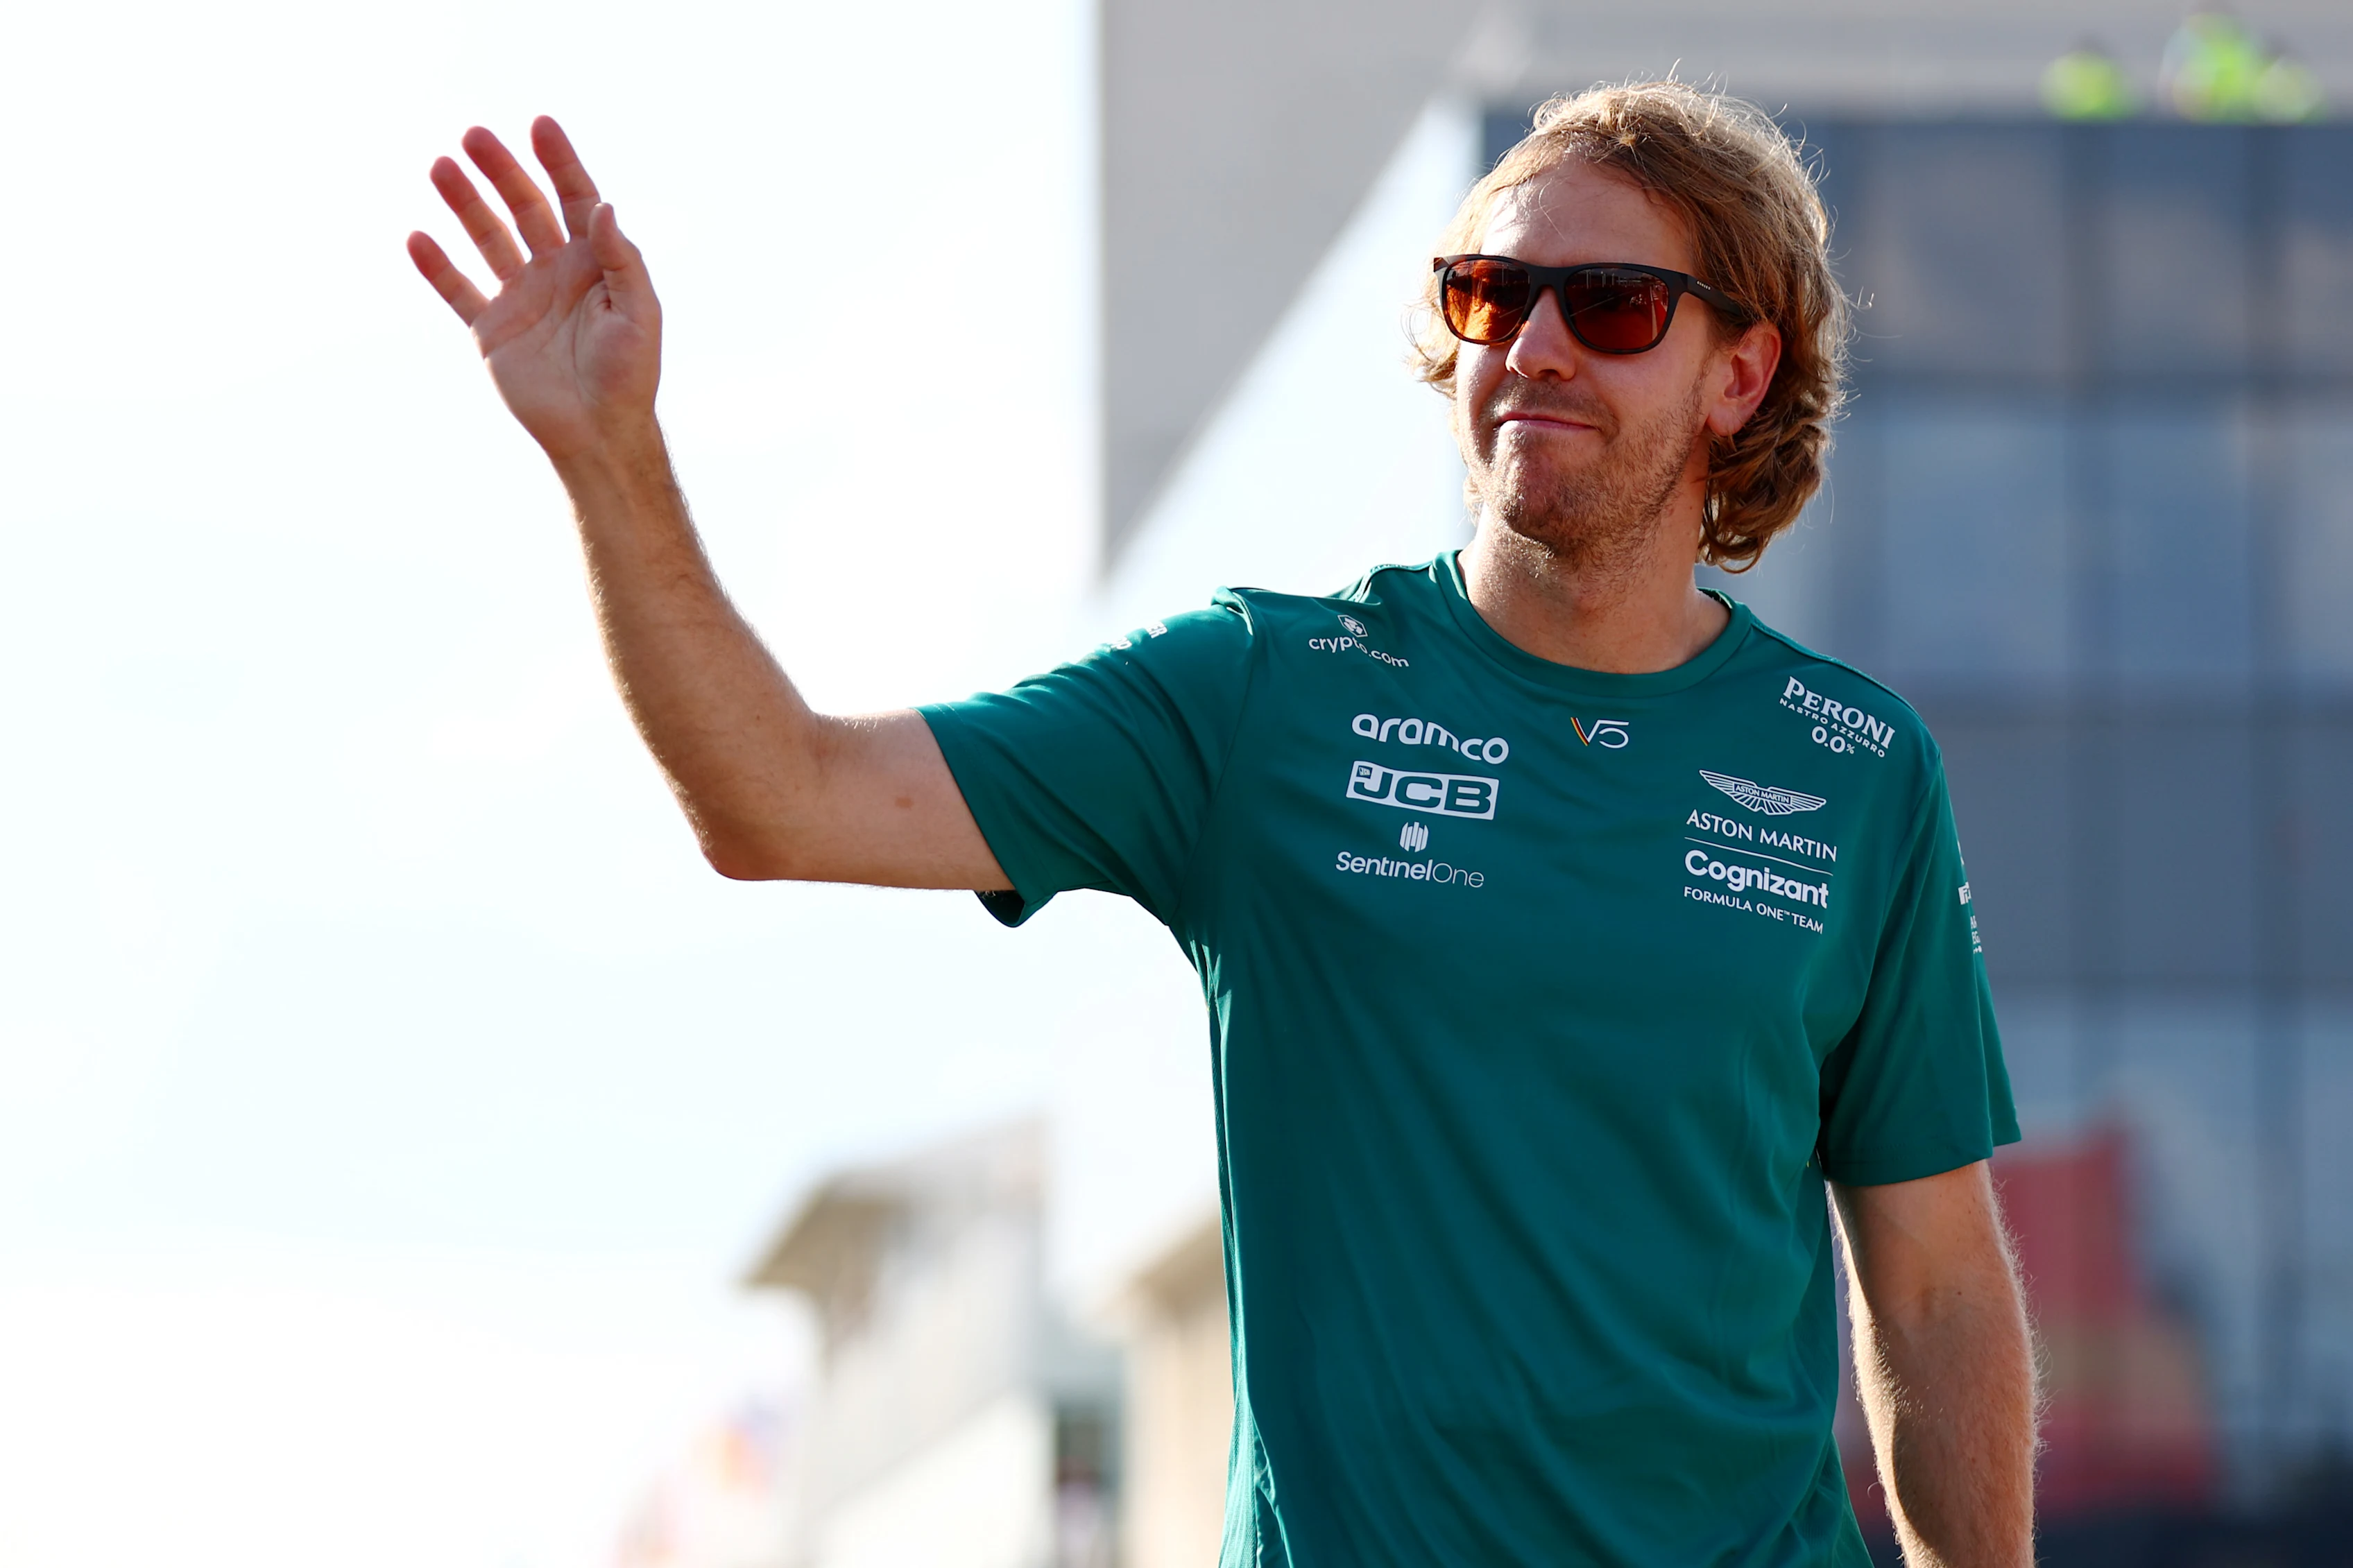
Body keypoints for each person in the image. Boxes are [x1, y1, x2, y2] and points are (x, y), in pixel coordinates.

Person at [408, 80, 2034, 1567]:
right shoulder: (1263, 693)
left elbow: (1941, 1285)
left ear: (1739, 373)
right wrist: (612, 461)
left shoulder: (1856, 768)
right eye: (1491, 297)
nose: (1534, 345)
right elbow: (785, 795)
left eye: (1609, 305)